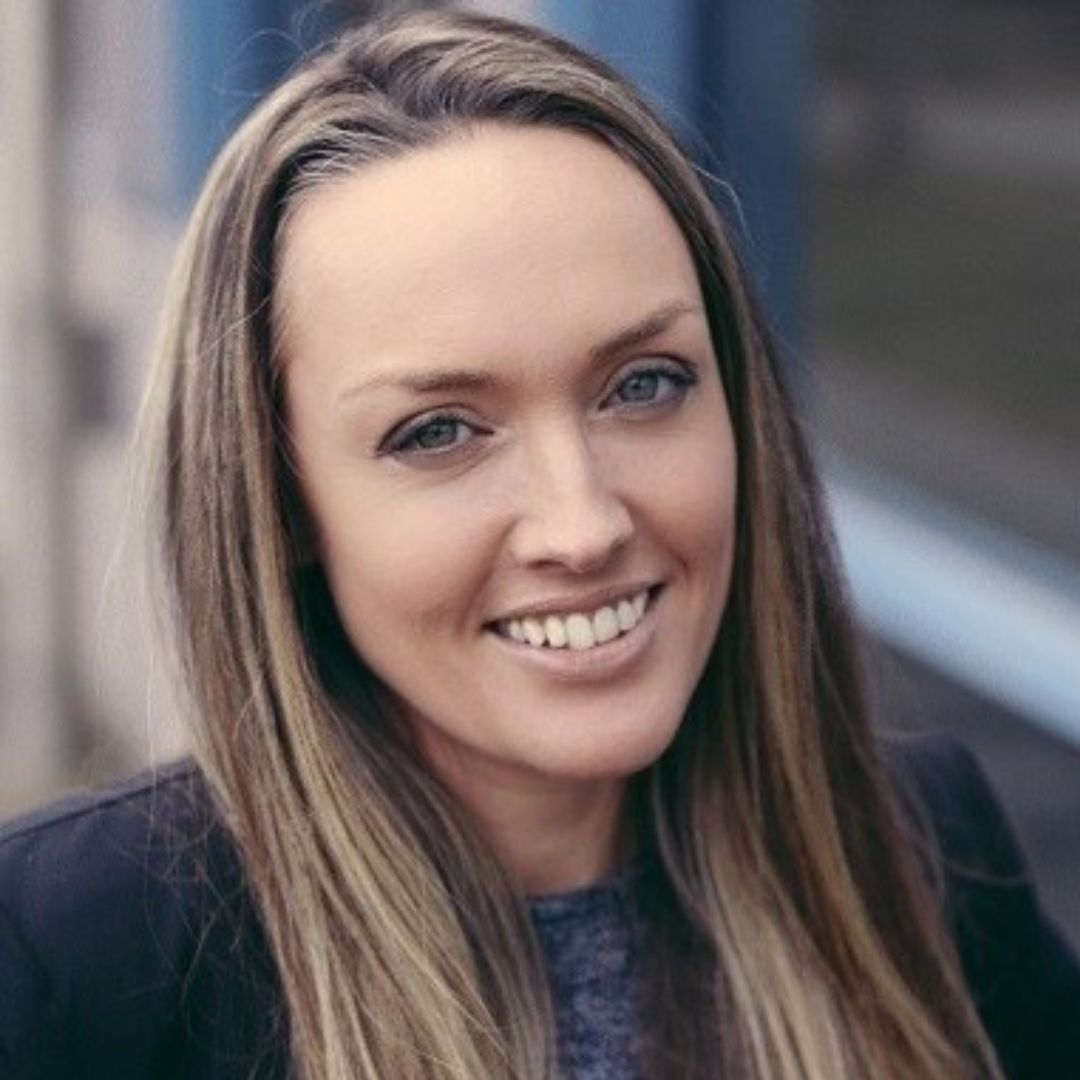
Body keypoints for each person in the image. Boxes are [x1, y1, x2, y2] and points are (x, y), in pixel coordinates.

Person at [1, 10, 1077, 1080]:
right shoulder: (69, 966)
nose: (584, 524)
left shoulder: (921, 857)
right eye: (439, 434)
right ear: (282, 507)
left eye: (644, 385)